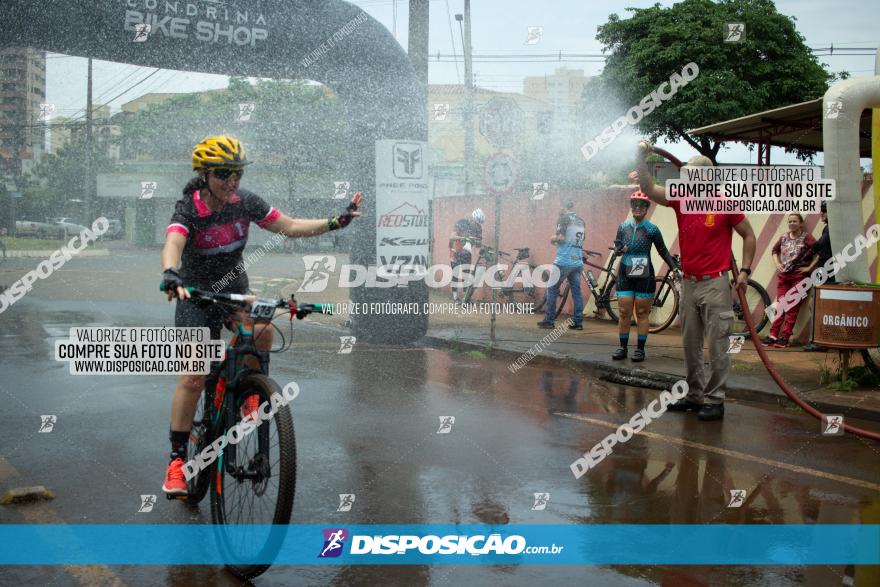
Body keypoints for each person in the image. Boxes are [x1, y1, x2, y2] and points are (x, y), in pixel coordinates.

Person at [160, 135, 362, 495]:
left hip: (235, 288)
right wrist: (170, 274)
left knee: (263, 330)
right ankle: (176, 462)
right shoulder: (188, 208)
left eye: (236, 173)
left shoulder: (245, 203)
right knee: (192, 376)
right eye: (223, 174)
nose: (232, 181)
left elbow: (290, 226)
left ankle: (246, 391)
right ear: (205, 174)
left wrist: (337, 222)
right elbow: (174, 242)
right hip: (195, 295)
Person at [635, 142, 756, 421]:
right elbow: (650, 190)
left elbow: (748, 235)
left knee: (717, 345)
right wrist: (640, 160)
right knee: (690, 344)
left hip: (715, 283)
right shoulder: (682, 199)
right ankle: (694, 395)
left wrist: (745, 271)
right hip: (689, 282)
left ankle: (715, 400)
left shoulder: (724, 203)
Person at [612, 191, 679, 362]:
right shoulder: (622, 227)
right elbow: (617, 248)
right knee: (623, 311)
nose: (638, 208)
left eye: (642, 205)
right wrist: (620, 250)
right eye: (635, 204)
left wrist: (674, 268)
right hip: (625, 274)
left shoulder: (652, 230)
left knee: (642, 313)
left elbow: (663, 250)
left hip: (645, 275)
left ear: (647, 208)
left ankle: (640, 350)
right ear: (631, 207)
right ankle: (622, 347)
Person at [761, 213, 818, 348]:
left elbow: (819, 251)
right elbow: (774, 250)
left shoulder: (806, 238)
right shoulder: (783, 237)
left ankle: (785, 337)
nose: (792, 223)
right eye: (790, 221)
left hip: (799, 277)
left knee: (792, 307)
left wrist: (809, 267)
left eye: (794, 221)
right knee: (780, 306)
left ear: (800, 223)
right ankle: (773, 335)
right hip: (784, 277)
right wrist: (778, 264)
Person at [537, 200, 585, 330]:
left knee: (552, 288)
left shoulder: (563, 218)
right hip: (577, 261)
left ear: (563, 207)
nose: (558, 209)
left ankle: (549, 320)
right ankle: (578, 322)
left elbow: (561, 238)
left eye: (559, 206)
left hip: (564, 261)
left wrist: (552, 238)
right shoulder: (581, 220)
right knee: (576, 292)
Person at [803, 202, 834, 352]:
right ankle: (819, 340)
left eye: (824, 211)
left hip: (829, 271)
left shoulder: (832, 228)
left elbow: (820, 244)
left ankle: (819, 341)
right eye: (820, 211)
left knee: (817, 305)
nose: (821, 213)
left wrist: (808, 253)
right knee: (814, 304)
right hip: (823, 270)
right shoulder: (827, 228)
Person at [449, 208, 484, 303]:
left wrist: (480, 248)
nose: (476, 225)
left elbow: (478, 244)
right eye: (475, 222)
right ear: (472, 218)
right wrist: (465, 238)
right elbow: (452, 236)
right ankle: (455, 298)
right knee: (456, 274)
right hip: (455, 250)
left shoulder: (478, 228)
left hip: (467, 252)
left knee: (466, 275)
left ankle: (465, 298)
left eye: (478, 224)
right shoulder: (462, 222)